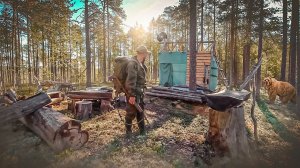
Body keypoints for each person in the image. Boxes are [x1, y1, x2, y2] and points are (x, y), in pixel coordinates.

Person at [124, 45, 150, 137]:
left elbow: (141, 80)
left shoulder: (141, 64)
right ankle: (128, 132)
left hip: (140, 93)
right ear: (142, 54)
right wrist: (131, 95)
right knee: (131, 112)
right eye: (146, 53)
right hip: (133, 93)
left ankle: (142, 132)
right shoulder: (133, 64)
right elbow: (130, 81)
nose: (147, 55)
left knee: (140, 111)